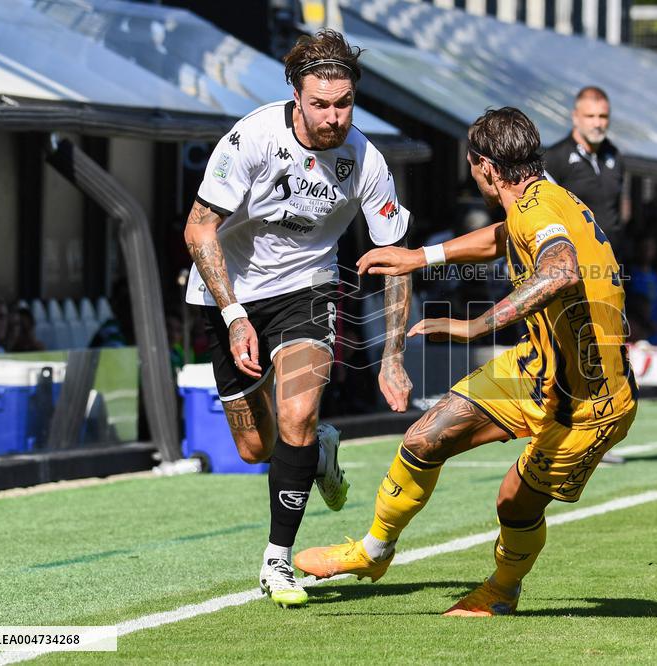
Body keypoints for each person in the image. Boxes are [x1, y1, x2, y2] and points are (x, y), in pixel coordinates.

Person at [294, 107, 639, 616]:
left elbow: (561, 270)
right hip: (536, 369)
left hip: (589, 403)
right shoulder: (537, 198)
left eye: (472, 166)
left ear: (485, 167)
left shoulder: (538, 210)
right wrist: (420, 258)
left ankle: (502, 590)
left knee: (512, 502)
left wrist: (476, 326)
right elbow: (504, 236)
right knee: (424, 436)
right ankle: (372, 553)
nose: (472, 174)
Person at [183, 29, 413, 608]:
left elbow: (398, 259)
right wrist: (233, 315)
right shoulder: (251, 138)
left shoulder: (366, 158)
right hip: (228, 293)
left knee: (298, 411)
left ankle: (276, 561)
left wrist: (392, 356)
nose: (334, 117)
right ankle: (317, 449)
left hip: (308, 288)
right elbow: (198, 227)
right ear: (295, 94)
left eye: (344, 104)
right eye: (320, 104)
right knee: (257, 449)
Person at [544, 87, 624, 243]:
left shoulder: (615, 155)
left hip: (613, 260)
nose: (597, 123)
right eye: (590, 116)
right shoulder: (555, 157)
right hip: (575, 260)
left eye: (603, 116)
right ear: (575, 117)